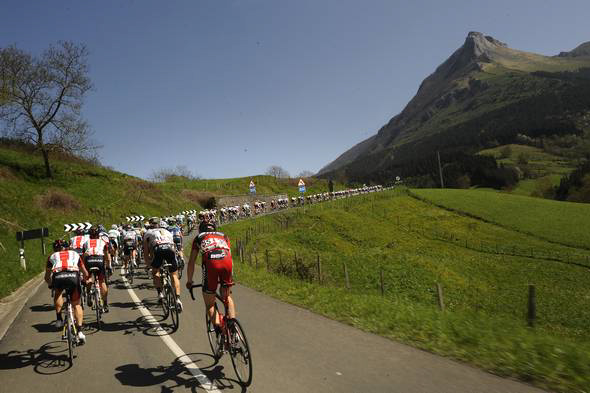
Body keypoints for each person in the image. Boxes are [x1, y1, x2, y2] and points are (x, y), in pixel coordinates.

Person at [185, 220, 235, 337]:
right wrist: (230, 280)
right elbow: (230, 257)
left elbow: (191, 261)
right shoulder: (223, 236)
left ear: (200, 230)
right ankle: (232, 327)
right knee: (227, 296)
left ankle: (220, 330)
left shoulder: (199, 237)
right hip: (227, 261)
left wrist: (189, 280)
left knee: (210, 304)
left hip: (211, 263)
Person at [45, 239, 89, 343]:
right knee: (76, 305)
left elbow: (47, 277)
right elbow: (85, 272)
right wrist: (85, 279)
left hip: (58, 276)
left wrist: (51, 284)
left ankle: (59, 319)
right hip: (73, 276)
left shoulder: (51, 256)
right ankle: (79, 332)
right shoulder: (74, 254)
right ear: (68, 247)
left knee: (58, 293)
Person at [143, 217, 182, 311]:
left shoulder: (148, 233)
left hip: (158, 250)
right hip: (170, 250)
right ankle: (177, 300)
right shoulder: (166, 231)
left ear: (150, 225)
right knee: (174, 275)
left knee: (155, 272)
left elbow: (146, 251)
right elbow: (173, 246)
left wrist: (149, 264)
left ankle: (160, 294)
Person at [83, 226, 111, 313]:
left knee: (89, 278)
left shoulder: (86, 242)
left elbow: (84, 256)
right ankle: (105, 303)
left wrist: (84, 267)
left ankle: (88, 294)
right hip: (99, 259)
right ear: (98, 234)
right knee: (102, 282)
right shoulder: (102, 242)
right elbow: (107, 256)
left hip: (89, 259)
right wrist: (109, 266)